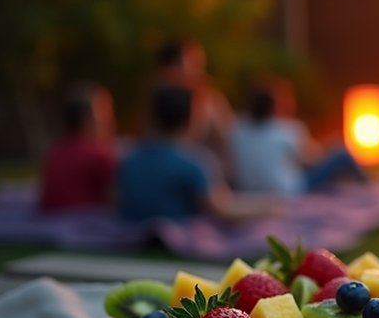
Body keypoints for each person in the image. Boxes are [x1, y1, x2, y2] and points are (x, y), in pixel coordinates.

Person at [117, 82, 278, 222]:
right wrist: (267, 208)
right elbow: (223, 211)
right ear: (191, 119)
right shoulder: (193, 162)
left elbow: (116, 201)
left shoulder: (130, 159)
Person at [229, 77, 367, 195]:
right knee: (342, 155)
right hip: (286, 191)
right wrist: (329, 145)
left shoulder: (237, 128)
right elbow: (312, 158)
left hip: (248, 192)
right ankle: (368, 188)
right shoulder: (286, 129)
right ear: (272, 106)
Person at [154, 39, 235, 175]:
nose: (200, 72)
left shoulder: (209, 99)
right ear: (170, 69)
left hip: (208, 175)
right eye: (194, 64)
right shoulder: (159, 97)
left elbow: (229, 135)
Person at [38, 82, 118, 212]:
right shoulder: (97, 155)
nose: (111, 121)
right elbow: (117, 201)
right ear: (87, 119)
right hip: (82, 219)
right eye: (105, 112)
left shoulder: (54, 151)